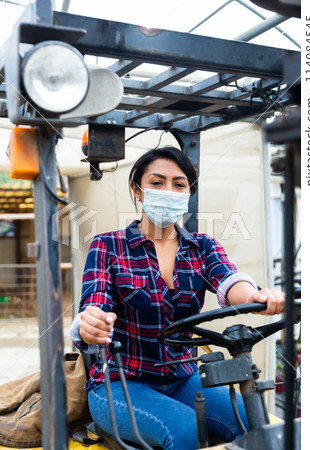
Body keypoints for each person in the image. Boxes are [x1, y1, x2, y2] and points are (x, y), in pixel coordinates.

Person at [70, 146, 285, 450]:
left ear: (188, 192)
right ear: (137, 189)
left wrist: (257, 295)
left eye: (179, 184)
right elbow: (95, 306)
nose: (168, 191)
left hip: (183, 378)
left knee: (253, 421)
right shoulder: (108, 245)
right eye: (157, 183)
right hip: (121, 383)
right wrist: (89, 323)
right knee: (183, 428)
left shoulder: (202, 246)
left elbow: (228, 280)